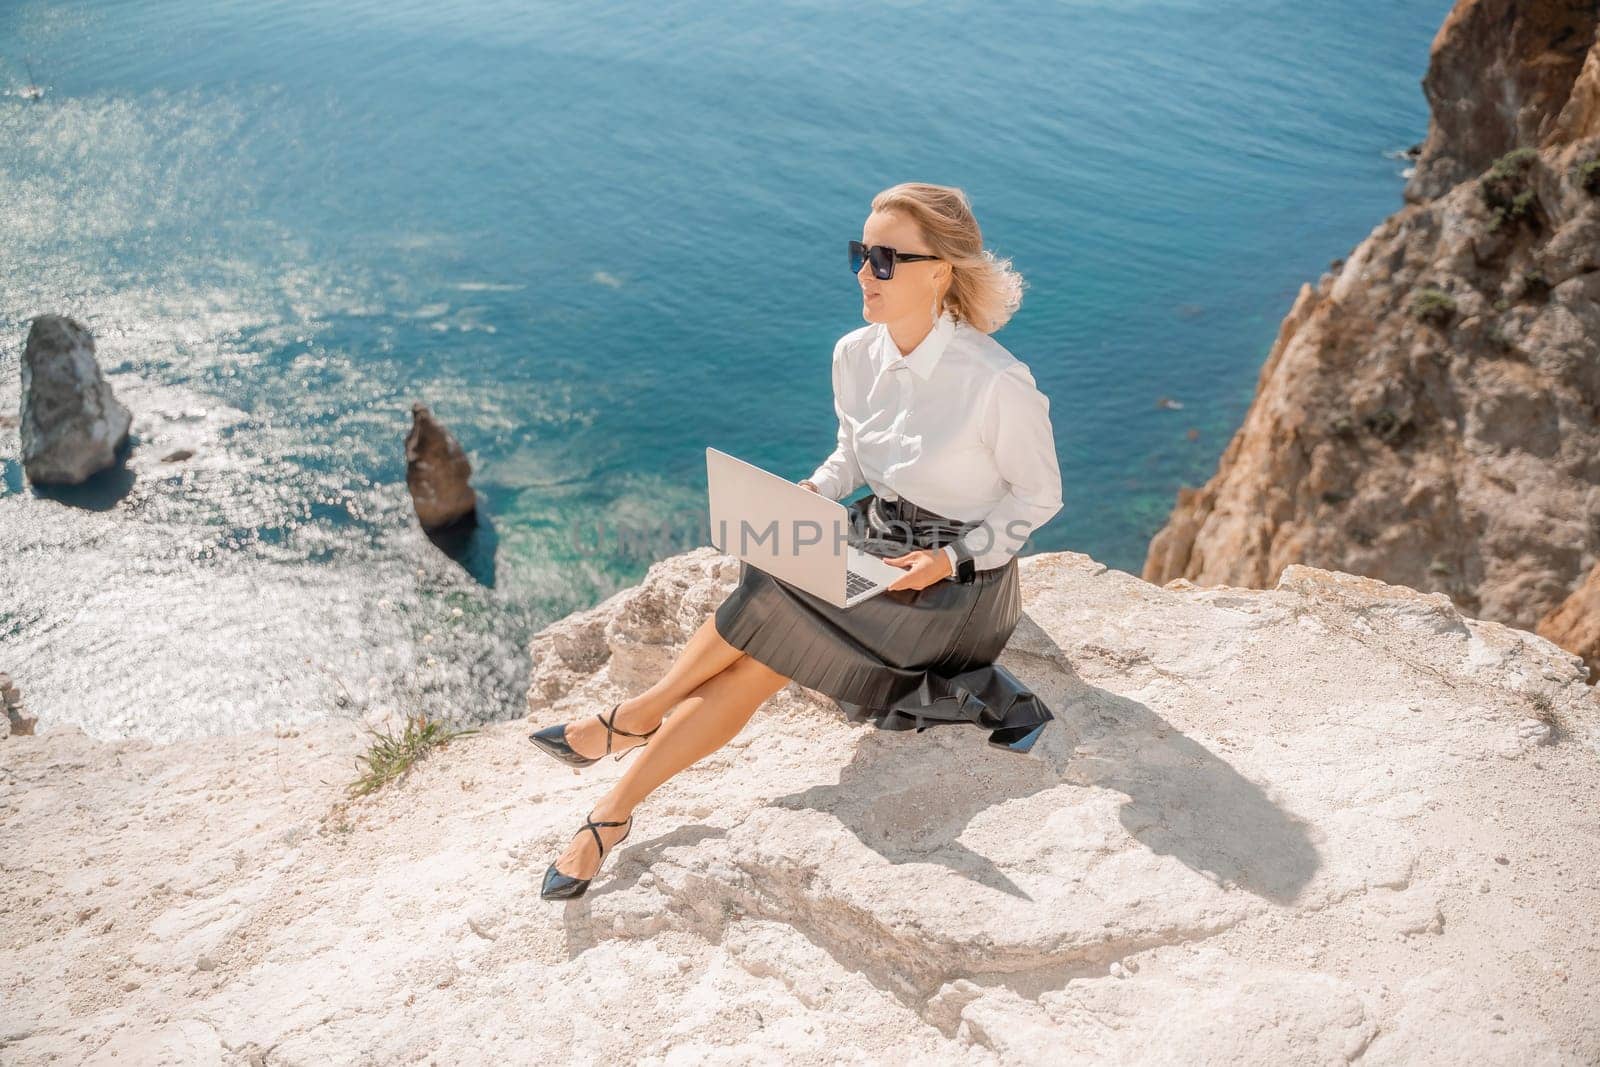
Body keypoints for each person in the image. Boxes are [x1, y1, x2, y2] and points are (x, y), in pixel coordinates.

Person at [529, 181, 1064, 900]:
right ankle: (611, 811)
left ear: (939, 271)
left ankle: (632, 723)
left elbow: (1039, 496)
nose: (862, 273)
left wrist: (948, 557)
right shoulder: (854, 355)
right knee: (767, 632)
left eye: (884, 259)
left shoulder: (997, 381)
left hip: (955, 586)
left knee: (775, 588)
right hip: (877, 541)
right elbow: (851, 455)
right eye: (859, 253)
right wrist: (812, 493)